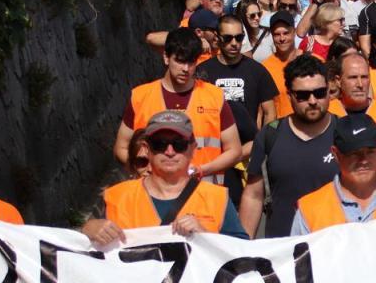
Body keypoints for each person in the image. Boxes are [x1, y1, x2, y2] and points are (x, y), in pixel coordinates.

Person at [84, 111, 248, 246]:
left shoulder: (216, 198)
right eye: (160, 144)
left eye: (179, 144)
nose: (170, 151)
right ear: (147, 149)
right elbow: (79, 254)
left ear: (192, 149)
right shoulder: (118, 197)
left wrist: (204, 235)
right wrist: (88, 230)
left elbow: (241, 254)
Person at [115, 28, 241, 185]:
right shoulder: (141, 97)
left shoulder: (214, 97)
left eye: (191, 62)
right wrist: (143, 168)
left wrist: (202, 170)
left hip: (203, 196)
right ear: (166, 58)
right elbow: (121, 147)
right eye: (180, 61)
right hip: (153, 197)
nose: (186, 69)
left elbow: (234, 150)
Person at [239, 55, 341, 238]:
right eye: (303, 95)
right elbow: (253, 195)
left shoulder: (343, 132)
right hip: (283, 251)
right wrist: (242, 248)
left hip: (332, 248)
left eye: (319, 93)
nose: (312, 100)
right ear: (290, 96)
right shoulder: (270, 135)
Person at [290, 113, 376, 235]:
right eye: (354, 153)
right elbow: (298, 259)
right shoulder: (309, 209)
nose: (363, 160)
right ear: (336, 154)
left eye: (370, 151)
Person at [196, 15, 279, 128]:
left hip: (249, 143)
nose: (234, 43)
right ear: (217, 37)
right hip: (214, 141)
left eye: (239, 37)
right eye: (227, 38)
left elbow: (270, 113)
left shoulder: (257, 70)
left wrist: (264, 142)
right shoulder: (203, 71)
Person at [328, 53, 376, 156]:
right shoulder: (327, 113)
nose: (360, 84)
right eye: (353, 78)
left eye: (364, 77)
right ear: (338, 81)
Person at [261, 11, 303, 118]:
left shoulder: (311, 61)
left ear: (294, 32)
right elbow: (262, 111)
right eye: (277, 34)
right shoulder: (265, 68)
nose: (282, 38)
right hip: (280, 129)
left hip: (309, 128)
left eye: (286, 33)